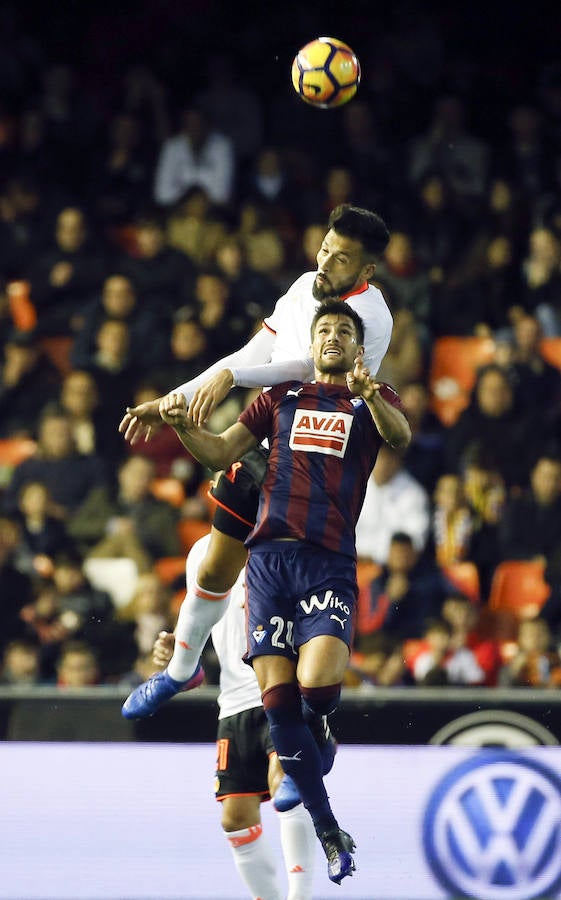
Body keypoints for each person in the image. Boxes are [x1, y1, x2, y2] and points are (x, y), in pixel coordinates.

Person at [124, 302, 411, 882]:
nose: (332, 336)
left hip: (327, 563)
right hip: (269, 563)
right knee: (279, 701)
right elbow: (221, 451)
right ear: (311, 341)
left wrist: (372, 392)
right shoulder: (280, 398)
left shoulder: (371, 399)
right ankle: (331, 832)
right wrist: (183, 424)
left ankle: (321, 724)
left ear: (358, 347)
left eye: (343, 331)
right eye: (324, 329)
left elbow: (399, 437)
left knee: (319, 686)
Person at [119, 203, 393, 722]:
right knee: (215, 565)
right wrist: (171, 399)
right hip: (270, 443)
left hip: (319, 466)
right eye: (325, 249)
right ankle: (181, 670)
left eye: (342, 259)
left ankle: (311, 738)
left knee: (303, 625)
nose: (326, 263)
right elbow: (250, 351)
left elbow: (308, 369)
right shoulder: (301, 288)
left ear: (367, 271)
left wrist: (240, 377)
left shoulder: (372, 316)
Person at [151, 534, 316, 900]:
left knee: (285, 787)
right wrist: (173, 649)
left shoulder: (286, 540)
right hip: (234, 703)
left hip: (281, 688)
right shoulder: (202, 551)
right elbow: (195, 618)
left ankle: (301, 896)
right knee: (235, 817)